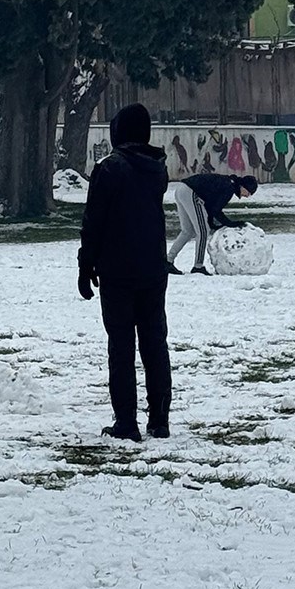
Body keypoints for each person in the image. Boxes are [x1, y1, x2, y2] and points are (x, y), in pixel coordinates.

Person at [77, 103, 171, 441]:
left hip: (117, 270)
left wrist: (85, 264)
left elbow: (94, 222)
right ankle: (160, 419)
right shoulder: (157, 168)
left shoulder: (110, 169)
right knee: (154, 342)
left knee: (121, 346)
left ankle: (126, 422)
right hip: (152, 267)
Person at [167, 173, 258, 276]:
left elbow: (210, 206)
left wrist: (212, 223)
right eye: (249, 192)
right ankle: (198, 266)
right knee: (203, 231)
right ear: (243, 186)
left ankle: (168, 261)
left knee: (188, 231)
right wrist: (230, 223)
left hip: (181, 190)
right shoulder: (229, 187)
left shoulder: (228, 183)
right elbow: (216, 210)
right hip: (191, 192)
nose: (247, 196)